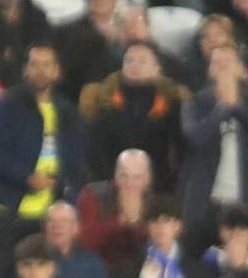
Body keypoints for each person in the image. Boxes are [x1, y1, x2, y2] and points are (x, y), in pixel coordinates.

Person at [180, 43, 248, 247]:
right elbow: (195, 136)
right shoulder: (195, 104)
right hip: (206, 204)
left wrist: (238, 107)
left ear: (241, 70)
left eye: (228, 63)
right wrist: (223, 108)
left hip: (247, 202)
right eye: (217, 63)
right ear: (209, 70)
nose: (223, 68)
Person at [0, 44, 84, 227]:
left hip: (54, 208)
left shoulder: (67, 112)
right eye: (34, 64)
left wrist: (62, 187)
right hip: (10, 206)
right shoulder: (8, 104)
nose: (40, 71)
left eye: (46, 65)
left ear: (57, 71)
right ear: (25, 70)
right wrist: (27, 177)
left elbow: (75, 162)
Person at [79, 40, 186, 194]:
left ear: (158, 68)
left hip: (162, 192)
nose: (134, 65)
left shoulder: (173, 107)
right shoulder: (106, 106)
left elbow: (179, 154)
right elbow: (95, 155)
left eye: (142, 61)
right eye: (129, 60)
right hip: (113, 192)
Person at [76, 146, 154, 272]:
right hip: (100, 271)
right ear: (115, 176)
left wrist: (137, 226)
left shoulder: (155, 202)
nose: (129, 184)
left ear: (148, 180)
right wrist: (119, 223)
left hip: (143, 273)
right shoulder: (93, 194)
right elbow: (85, 241)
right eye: (124, 176)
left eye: (137, 177)